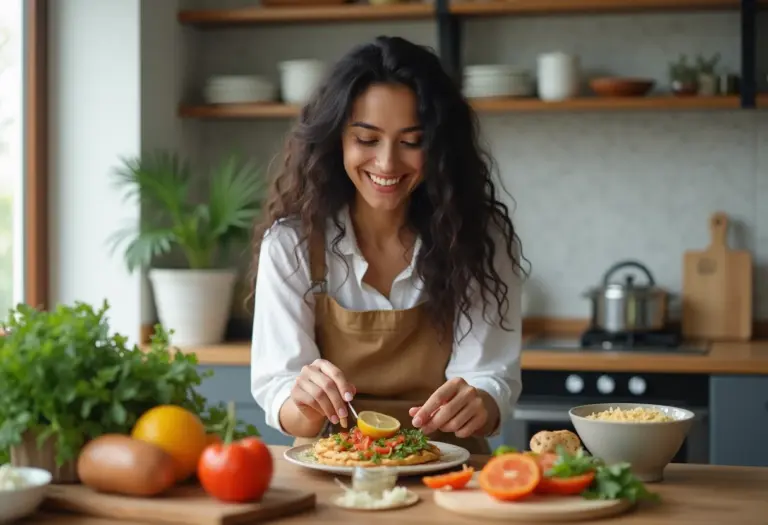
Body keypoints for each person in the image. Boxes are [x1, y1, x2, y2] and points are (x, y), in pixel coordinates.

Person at [249, 35, 527, 454]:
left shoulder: (478, 239)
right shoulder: (292, 244)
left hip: (450, 471)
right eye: (366, 139)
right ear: (335, 139)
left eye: (412, 142)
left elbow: (491, 377)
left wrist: (481, 402)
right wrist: (304, 401)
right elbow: (279, 391)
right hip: (333, 466)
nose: (387, 163)